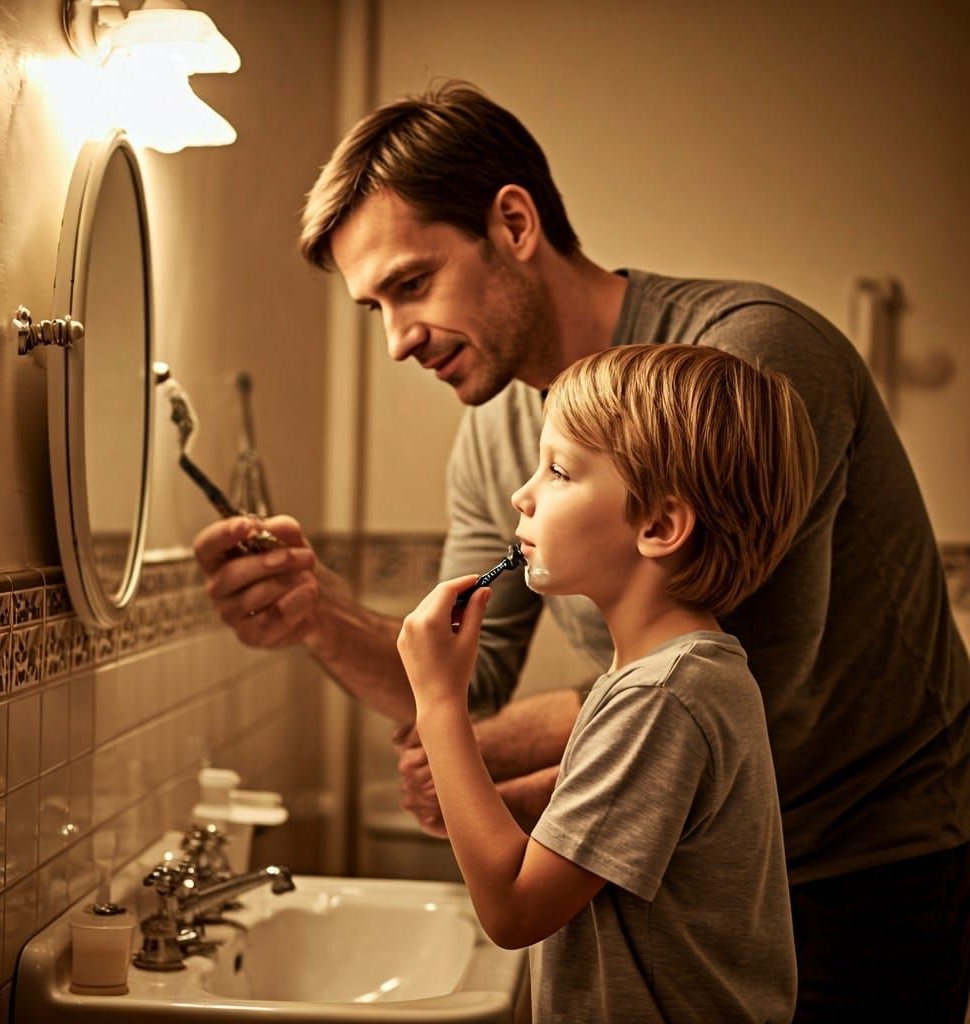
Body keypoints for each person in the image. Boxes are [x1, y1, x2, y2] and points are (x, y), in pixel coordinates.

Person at [192, 81, 970, 1019]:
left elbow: (740, 690)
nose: (397, 340)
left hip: (868, 856)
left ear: (514, 222)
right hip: (669, 853)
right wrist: (315, 614)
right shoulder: (492, 438)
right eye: (375, 309)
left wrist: (481, 767)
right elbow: (468, 670)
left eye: (411, 284)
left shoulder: (745, 364)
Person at [398, 343, 815, 1022]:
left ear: (658, 525)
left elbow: (512, 909)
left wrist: (439, 700)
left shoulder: (663, 698)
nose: (521, 494)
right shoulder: (665, 677)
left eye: (558, 470)